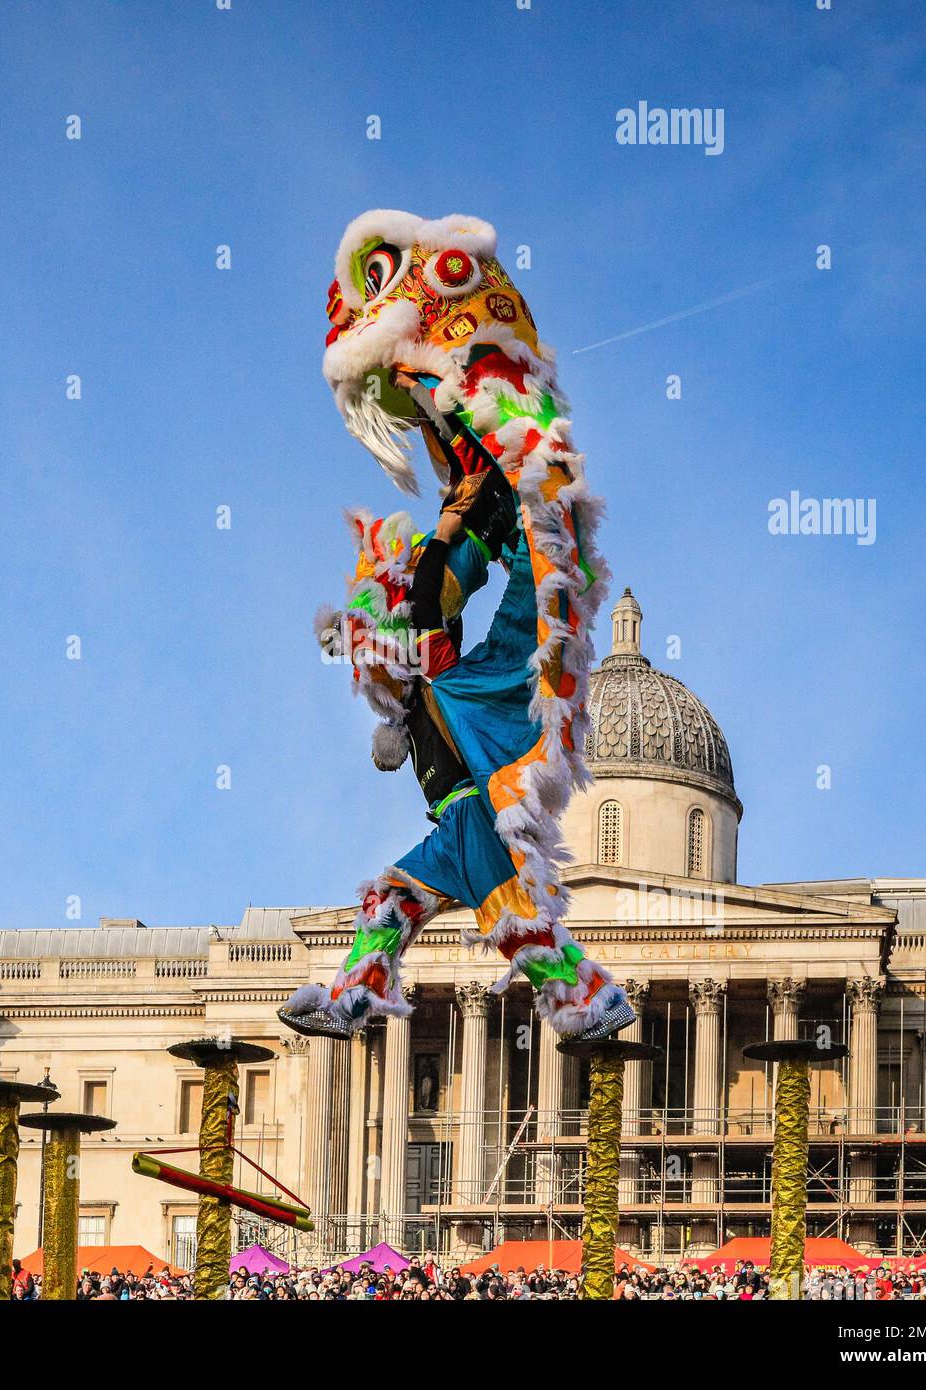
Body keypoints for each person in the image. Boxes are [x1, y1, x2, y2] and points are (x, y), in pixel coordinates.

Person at [280, 210, 629, 1049]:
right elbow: (434, 596)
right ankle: (361, 990)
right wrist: (413, 576)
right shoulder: (449, 577)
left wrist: (457, 489)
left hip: (489, 733)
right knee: (396, 896)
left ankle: (583, 993)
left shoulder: (495, 545)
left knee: (494, 887)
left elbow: (515, 562)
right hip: (455, 778)